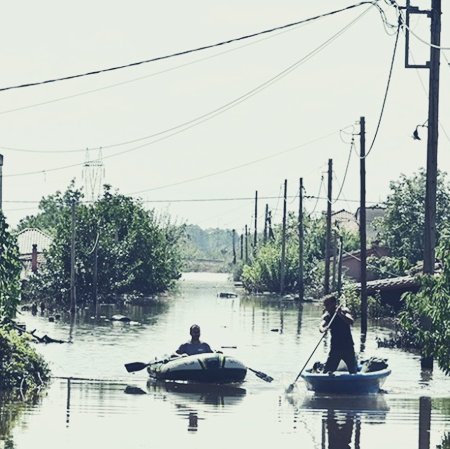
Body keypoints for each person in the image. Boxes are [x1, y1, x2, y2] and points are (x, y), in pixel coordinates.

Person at [319, 294, 357, 374]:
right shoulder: (328, 315)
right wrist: (323, 329)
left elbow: (351, 321)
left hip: (348, 347)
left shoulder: (344, 311)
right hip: (335, 348)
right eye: (325, 305)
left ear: (334, 304)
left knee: (353, 371)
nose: (326, 307)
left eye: (327, 305)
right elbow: (321, 325)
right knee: (327, 371)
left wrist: (340, 314)